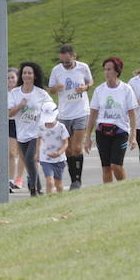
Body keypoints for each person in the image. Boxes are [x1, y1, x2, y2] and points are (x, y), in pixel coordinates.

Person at [48, 45, 92, 190]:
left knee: (77, 147)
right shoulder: (57, 70)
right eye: (63, 62)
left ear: (74, 56)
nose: (65, 65)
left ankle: (77, 180)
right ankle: (73, 178)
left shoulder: (83, 67)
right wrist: (56, 88)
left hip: (80, 111)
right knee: (67, 149)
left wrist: (85, 88)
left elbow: (90, 82)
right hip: (64, 113)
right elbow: (51, 89)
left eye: (67, 61)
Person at [88, 57, 137, 183]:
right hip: (102, 131)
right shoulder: (99, 90)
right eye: (105, 69)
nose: (106, 72)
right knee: (106, 168)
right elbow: (93, 114)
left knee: (116, 165)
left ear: (117, 71)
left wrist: (133, 135)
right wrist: (88, 136)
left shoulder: (126, 89)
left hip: (120, 132)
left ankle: (124, 187)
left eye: (109, 69)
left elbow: (132, 114)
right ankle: (108, 193)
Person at [9, 62, 52, 197]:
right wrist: (20, 106)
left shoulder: (41, 93)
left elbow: (52, 109)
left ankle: (34, 189)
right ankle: (37, 187)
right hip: (21, 133)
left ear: (34, 76)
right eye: (24, 73)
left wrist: (47, 121)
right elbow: (9, 113)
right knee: (29, 163)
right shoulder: (15, 93)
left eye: (30, 73)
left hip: (36, 134)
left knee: (30, 159)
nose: (27, 75)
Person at [38, 102, 69, 194]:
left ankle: (59, 199)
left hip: (59, 159)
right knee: (50, 181)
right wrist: (37, 153)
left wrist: (59, 152)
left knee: (58, 182)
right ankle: (48, 200)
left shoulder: (61, 127)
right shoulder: (41, 127)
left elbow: (66, 143)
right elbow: (38, 140)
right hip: (45, 158)